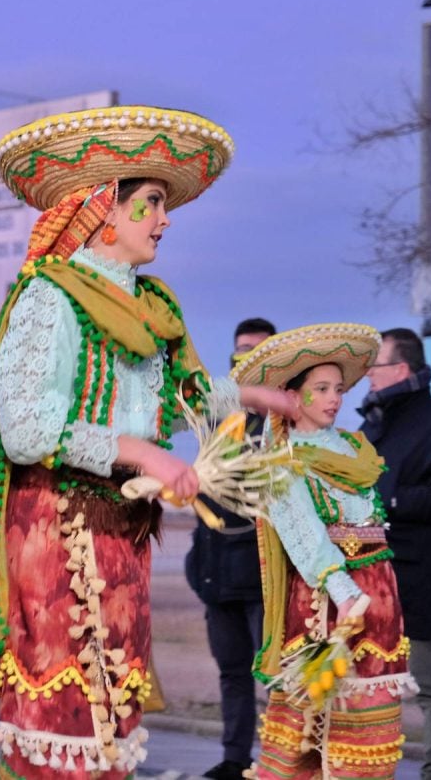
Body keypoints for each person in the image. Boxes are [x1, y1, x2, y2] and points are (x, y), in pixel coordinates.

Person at [0, 107, 295, 778]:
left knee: (112, 720)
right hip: (56, 530)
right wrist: (143, 452)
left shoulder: (152, 306)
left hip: (124, 534)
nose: (163, 221)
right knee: (62, 720)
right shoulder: (50, 297)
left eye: (163, 206)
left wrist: (256, 396)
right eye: (149, 205)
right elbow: (25, 427)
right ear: (100, 211)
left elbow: (186, 394)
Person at [234, 324, 416, 779]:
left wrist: (378, 598)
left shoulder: (355, 447)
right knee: (318, 734)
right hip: (328, 607)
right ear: (293, 397)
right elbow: (304, 536)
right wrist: (345, 590)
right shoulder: (282, 459)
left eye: (338, 388)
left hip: (379, 605)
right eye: (320, 388)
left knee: (371, 739)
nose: (334, 398)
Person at [186, 316, 275, 780]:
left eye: (257, 352)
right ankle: (235, 757)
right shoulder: (218, 417)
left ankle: (283, 758)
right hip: (215, 568)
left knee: (273, 677)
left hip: (261, 572)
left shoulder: (281, 424)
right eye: (240, 352)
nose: (246, 360)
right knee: (231, 672)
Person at [358, 327, 431, 779]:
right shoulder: (371, 426)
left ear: (401, 370)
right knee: (372, 688)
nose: (367, 376)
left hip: (426, 583)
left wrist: (385, 503)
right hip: (373, 583)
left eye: (376, 366)